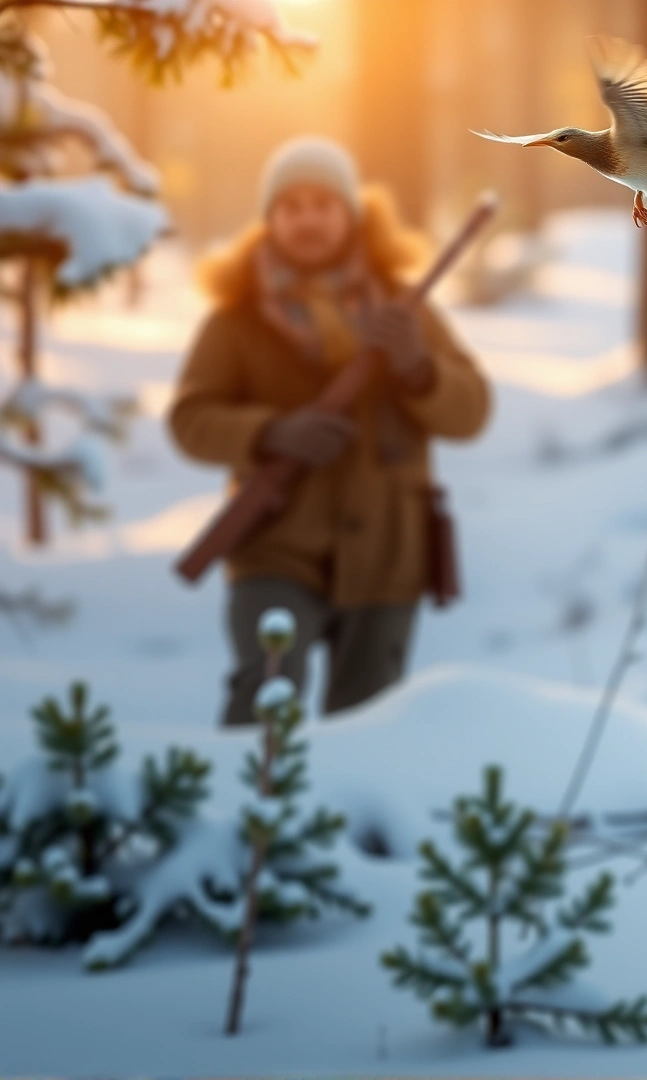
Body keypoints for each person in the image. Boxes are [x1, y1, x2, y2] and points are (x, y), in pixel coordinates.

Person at [169, 136, 490, 727]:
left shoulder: (406, 309)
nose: (308, 220)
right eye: (291, 207)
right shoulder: (235, 318)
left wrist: (420, 369)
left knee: (366, 727)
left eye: (323, 204)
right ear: (269, 221)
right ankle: (250, 820)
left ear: (352, 214)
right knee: (264, 703)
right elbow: (189, 420)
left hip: (386, 556)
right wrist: (269, 432)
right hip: (274, 547)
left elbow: (471, 414)